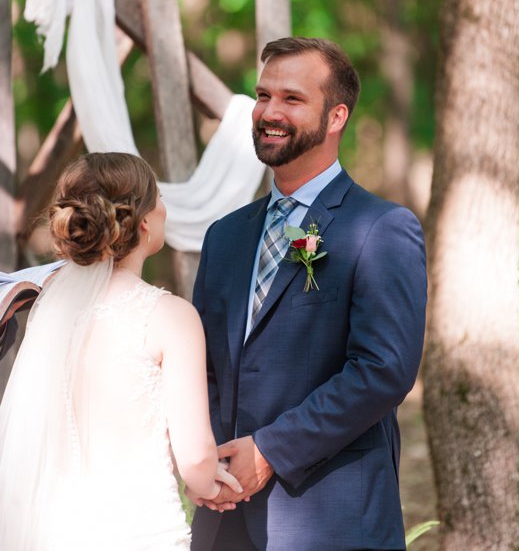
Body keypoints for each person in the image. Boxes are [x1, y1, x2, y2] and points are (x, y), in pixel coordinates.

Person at [189, 37, 427, 551]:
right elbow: (204, 363)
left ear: (336, 116)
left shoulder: (380, 228)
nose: (270, 112)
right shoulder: (224, 236)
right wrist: (208, 458)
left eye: (292, 99)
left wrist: (271, 450)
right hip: (224, 519)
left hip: (329, 519)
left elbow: (383, 370)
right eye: (263, 95)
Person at [0, 152, 240, 549]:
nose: (166, 207)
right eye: (160, 195)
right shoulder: (170, 316)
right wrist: (214, 484)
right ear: (144, 221)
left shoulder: (49, 308)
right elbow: (196, 461)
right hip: (138, 533)